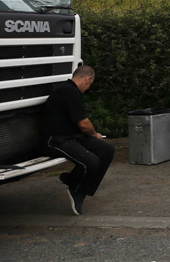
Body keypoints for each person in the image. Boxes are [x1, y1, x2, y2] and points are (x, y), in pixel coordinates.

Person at [39, 65, 115, 216]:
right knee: (92, 162)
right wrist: (95, 135)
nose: (88, 88)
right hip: (55, 140)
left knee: (107, 150)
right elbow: (84, 124)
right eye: (90, 84)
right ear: (88, 78)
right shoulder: (68, 91)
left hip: (72, 137)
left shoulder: (70, 91)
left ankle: (72, 181)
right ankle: (76, 189)